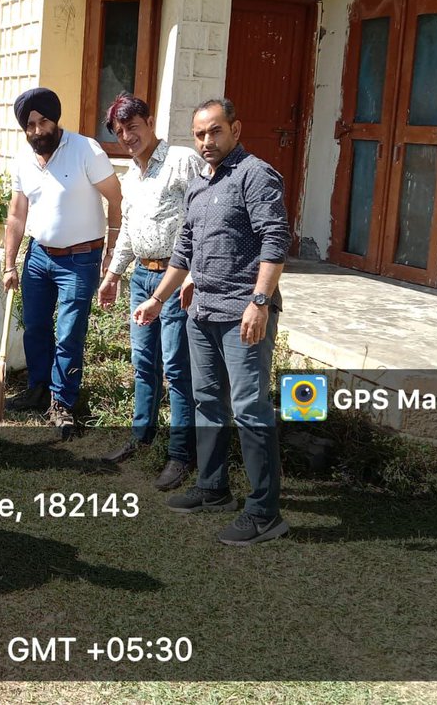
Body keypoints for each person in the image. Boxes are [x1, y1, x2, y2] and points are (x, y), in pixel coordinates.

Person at [133, 97, 291, 545]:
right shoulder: (201, 183)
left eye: (215, 131)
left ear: (235, 130)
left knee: (249, 409)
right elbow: (184, 251)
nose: (206, 141)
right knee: (207, 402)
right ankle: (213, 487)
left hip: (243, 314)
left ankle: (265, 515)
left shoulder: (255, 175)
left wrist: (260, 301)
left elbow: (275, 240)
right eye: (200, 133)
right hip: (200, 313)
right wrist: (159, 299)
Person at [97, 92, 206, 490]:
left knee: (176, 368)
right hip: (141, 277)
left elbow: (203, 217)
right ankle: (141, 437)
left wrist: (195, 273)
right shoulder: (131, 175)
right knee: (144, 363)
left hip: (174, 280)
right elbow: (127, 229)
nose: (128, 136)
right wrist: (113, 274)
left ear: (150, 120)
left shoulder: (181, 161)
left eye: (133, 126)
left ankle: (180, 455)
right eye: (120, 130)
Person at [2, 87, 122, 438]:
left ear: (56, 120)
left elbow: (116, 199)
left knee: (69, 333)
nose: (37, 130)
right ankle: (38, 388)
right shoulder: (24, 159)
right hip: (38, 257)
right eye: (31, 125)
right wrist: (10, 263)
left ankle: (63, 402)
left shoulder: (87, 149)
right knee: (36, 327)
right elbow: (15, 214)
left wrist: (112, 251)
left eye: (43, 122)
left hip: (80, 259)